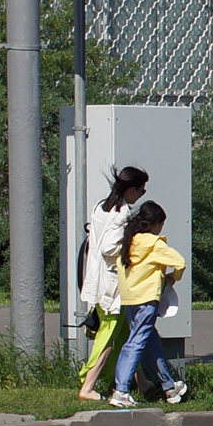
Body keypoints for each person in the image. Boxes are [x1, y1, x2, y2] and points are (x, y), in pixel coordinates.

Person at [77, 166, 149, 401]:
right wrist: (130, 245)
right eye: (140, 190)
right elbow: (109, 247)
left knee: (124, 335)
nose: (141, 194)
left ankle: (143, 383)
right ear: (130, 189)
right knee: (108, 336)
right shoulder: (122, 214)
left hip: (97, 279)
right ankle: (88, 386)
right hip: (113, 285)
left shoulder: (101, 206)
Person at [109, 201, 189, 408]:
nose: (161, 228)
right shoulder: (155, 244)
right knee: (135, 344)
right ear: (154, 224)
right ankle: (121, 391)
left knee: (151, 343)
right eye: (161, 224)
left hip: (130, 300)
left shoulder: (129, 241)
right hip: (147, 301)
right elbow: (180, 262)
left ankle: (169, 387)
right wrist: (173, 278)